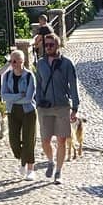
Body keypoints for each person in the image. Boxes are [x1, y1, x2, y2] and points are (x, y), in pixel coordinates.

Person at [35, 34, 79, 185]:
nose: (48, 47)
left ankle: (59, 172)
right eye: (46, 45)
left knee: (61, 140)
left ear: (57, 46)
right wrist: (38, 101)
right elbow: (39, 84)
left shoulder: (67, 64)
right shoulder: (40, 64)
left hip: (62, 106)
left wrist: (75, 107)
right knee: (45, 140)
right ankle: (50, 161)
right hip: (45, 107)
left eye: (51, 45)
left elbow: (73, 85)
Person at [0, 49, 38, 180]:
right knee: (13, 141)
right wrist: (17, 96)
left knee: (29, 139)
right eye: (11, 61)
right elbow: (4, 96)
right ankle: (22, 160)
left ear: (22, 61)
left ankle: (30, 168)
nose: (12, 63)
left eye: (14, 61)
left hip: (28, 111)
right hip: (12, 110)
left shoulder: (29, 76)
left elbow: (28, 98)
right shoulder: (7, 76)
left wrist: (13, 97)